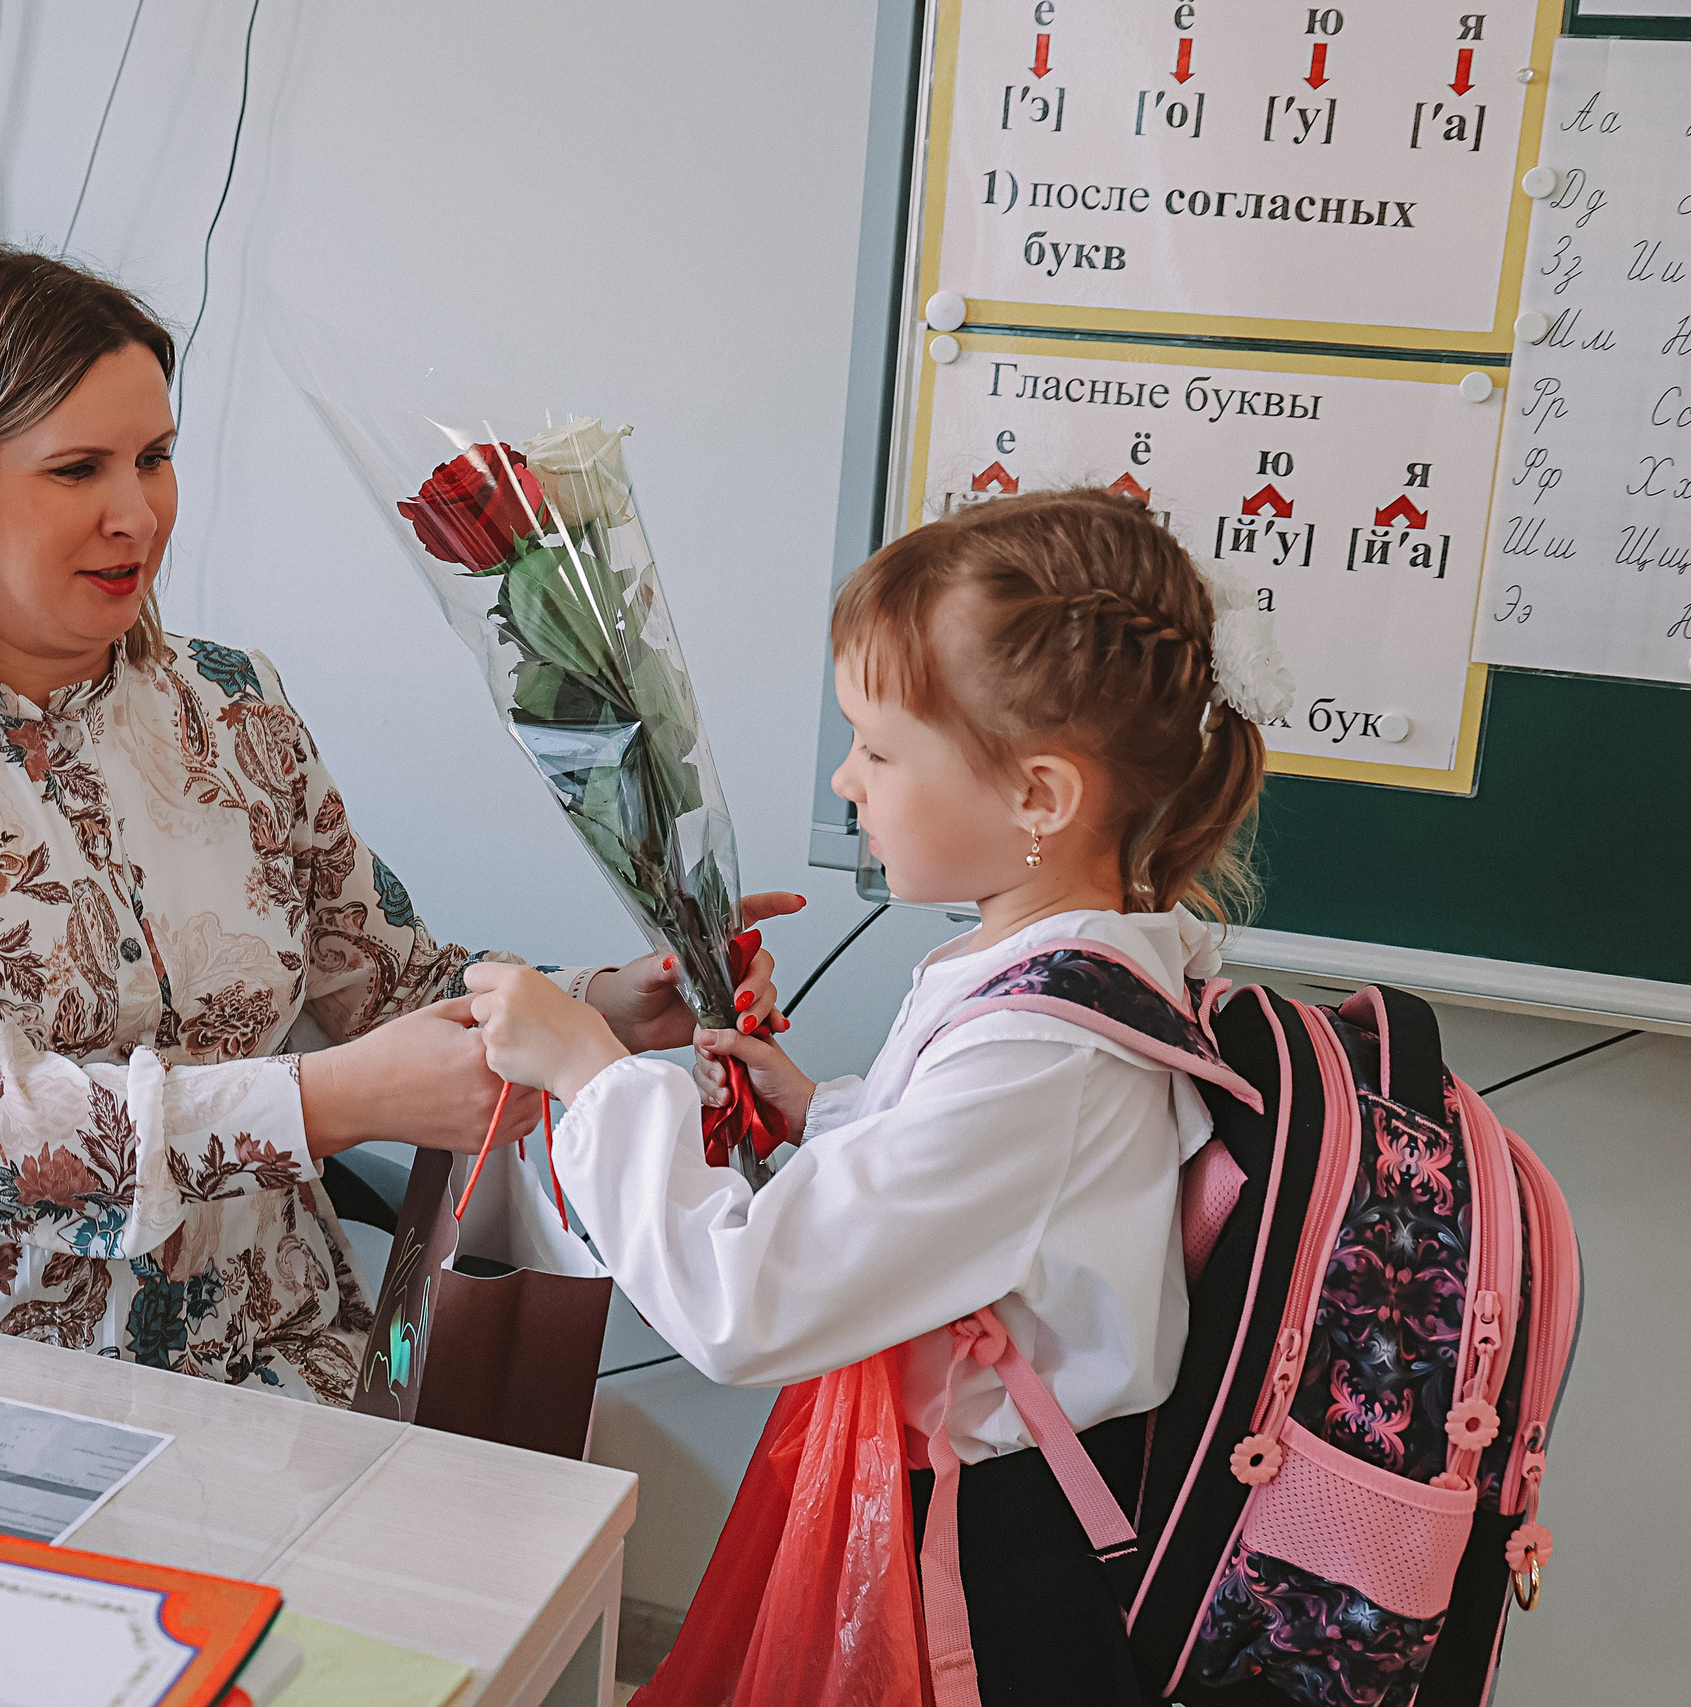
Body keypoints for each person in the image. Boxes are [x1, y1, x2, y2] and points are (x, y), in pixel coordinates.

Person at [0, 243, 790, 1401]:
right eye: (78, 468)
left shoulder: (232, 703)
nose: (137, 512)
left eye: (157, 456)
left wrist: (599, 1003)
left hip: (266, 1344)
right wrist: (333, 1102)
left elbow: (382, 980)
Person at [465, 488, 1279, 1703]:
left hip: (1005, 1573)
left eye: (881, 749)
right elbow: (988, 1213)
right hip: (1006, 1514)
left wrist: (588, 1074)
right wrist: (824, 1113)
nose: (845, 779)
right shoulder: (1064, 972)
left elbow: (747, 1304)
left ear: (1038, 799)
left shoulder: (1040, 1050)